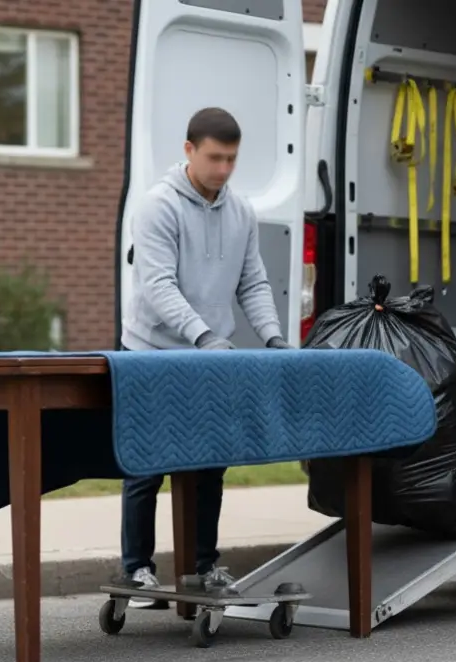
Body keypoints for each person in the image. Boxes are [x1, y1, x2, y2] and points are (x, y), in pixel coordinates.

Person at [119, 106, 291, 606]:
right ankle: (137, 571)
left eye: (232, 159)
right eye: (214, 157)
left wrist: (274, 338)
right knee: (147, 464)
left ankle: (203, 565)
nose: (223, 169)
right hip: (151, 352)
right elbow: (157, 286)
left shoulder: (241, 213)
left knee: (209, 464)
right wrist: (202, 336)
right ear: (189, 150)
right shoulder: (157, 207)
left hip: (209, 356)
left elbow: (253, 282)